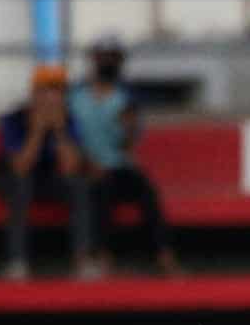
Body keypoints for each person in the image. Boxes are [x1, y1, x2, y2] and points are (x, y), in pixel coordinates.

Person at [68, 34, 178, 276]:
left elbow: (128, 145)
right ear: (94, 60)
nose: (108, 62)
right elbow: (67, 135)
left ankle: (164, 255)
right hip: (85, 166)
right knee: (100, 188)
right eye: (103, 57)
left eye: (113, 57)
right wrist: (86, 161)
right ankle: (104, 256)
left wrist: (128, 128)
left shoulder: (127, 97)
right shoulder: (75, 95)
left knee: (146, 189)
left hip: (118, 166)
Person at [0, 65, 91, 281]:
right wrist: (37, 131)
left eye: (58, 91)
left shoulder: (68, 120)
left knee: (80, 186)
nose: (53, 97)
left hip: (46, 178)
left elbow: (71, 168)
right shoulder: (14, 119)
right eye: (47, 90)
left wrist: (60, 131)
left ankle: (82, 260)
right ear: (34, 93)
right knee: (21, 184)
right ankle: (17, 262)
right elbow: (20, 166)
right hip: (11, 178)